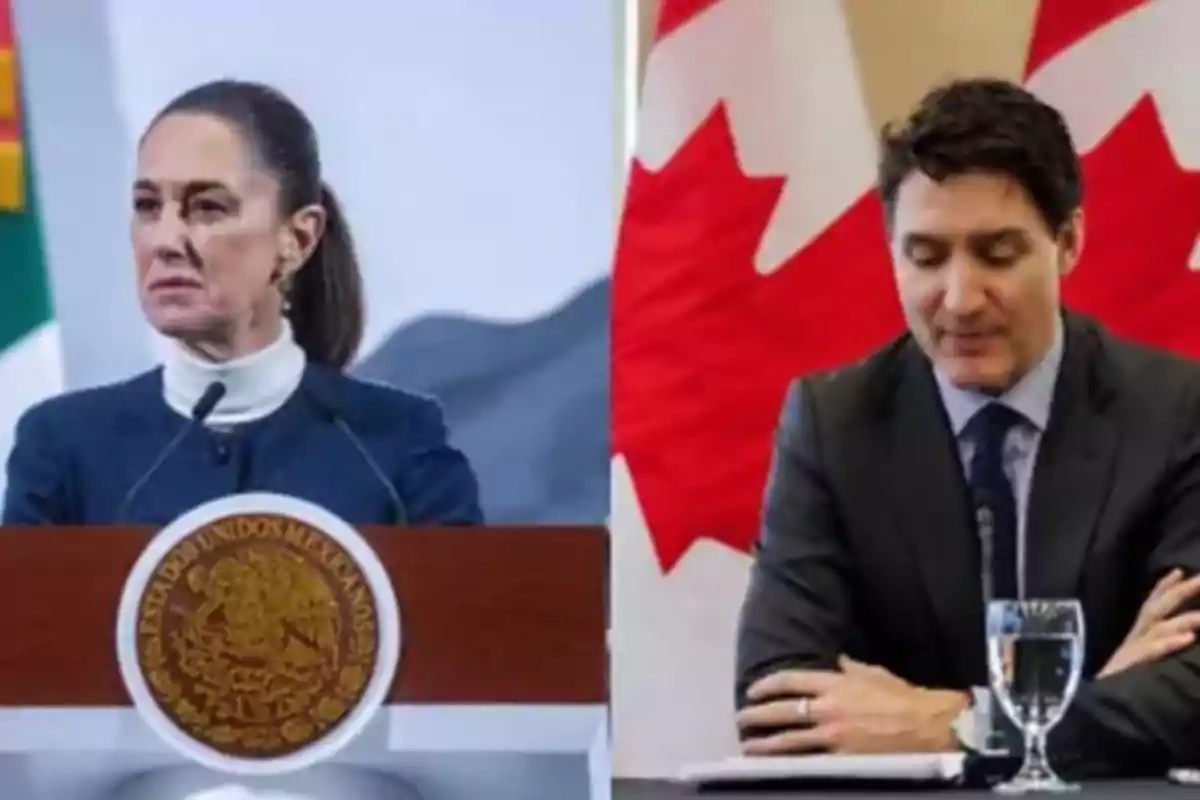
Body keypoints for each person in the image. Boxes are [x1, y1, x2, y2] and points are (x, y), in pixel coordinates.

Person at [734, 77, 1200, 779]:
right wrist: (1092, 695)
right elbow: (776, 704)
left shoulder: (1177, 410)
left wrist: (961, 721)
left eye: (997, 254)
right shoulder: (835, 424)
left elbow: (1191, 688)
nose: (959, 299)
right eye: (925, 257)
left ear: (1068, 241)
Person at [2, 79, 483, 526]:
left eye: (208, 207)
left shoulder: (397, 443)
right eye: (148, 206)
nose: (166, 240)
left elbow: (471, 611)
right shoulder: (63, 446)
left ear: (297, 238)